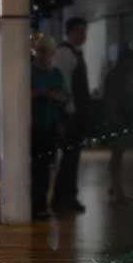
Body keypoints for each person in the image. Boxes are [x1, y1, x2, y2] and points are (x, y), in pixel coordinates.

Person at [51, 17, 91, 213]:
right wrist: (69, 111)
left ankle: (68, 196)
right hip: (70, 115)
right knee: (69, 157)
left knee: (72, 158)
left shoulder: (74, 52)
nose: (84, 35)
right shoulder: (65, 53)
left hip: (76, 114)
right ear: (72, 31)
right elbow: (63, 85)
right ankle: (62, 198)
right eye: (81, 31)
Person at [30, 34, 68, 220]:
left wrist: (53, 96)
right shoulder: (30, 72)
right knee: (36, 167)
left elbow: (64, 96)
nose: (46, 56)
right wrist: (39, 94)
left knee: (46, 167)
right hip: (33, 126)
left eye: (49, 53)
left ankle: (42, 204)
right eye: (43, 52)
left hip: (50, 125)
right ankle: (34, 204)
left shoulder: (56, 74)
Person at [102, 45, 133, 205]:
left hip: (119, 118)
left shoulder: (117, 75)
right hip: (118, 119)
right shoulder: (118, 76)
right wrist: (115, 117)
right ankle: (117, 191)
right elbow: (112, 100)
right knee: (117, 155)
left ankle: (115, 187)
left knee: (116, 155)